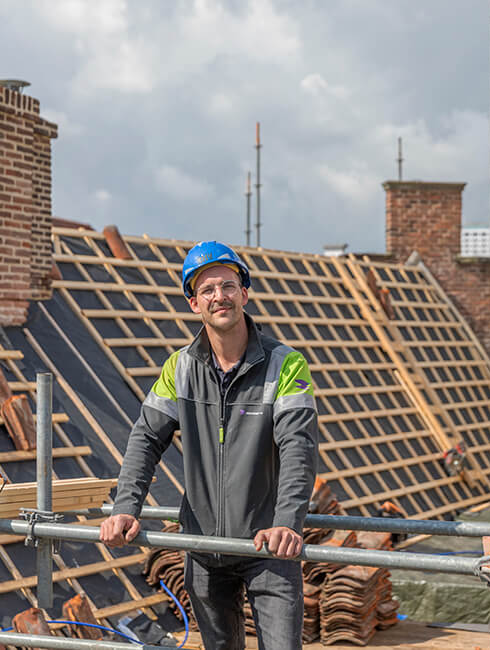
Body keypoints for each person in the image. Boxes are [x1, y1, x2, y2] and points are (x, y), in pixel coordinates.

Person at [100, 241, 319, 650]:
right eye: (208, 290)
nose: (220, 296)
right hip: (203, 547)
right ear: (194, 303)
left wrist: (288, 521)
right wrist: (125, 507)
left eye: (229, 286)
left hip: (268, 546)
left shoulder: (285, 364)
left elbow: (298, 448)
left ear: (245, 294)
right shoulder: (180, 367)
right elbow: (146, 438)